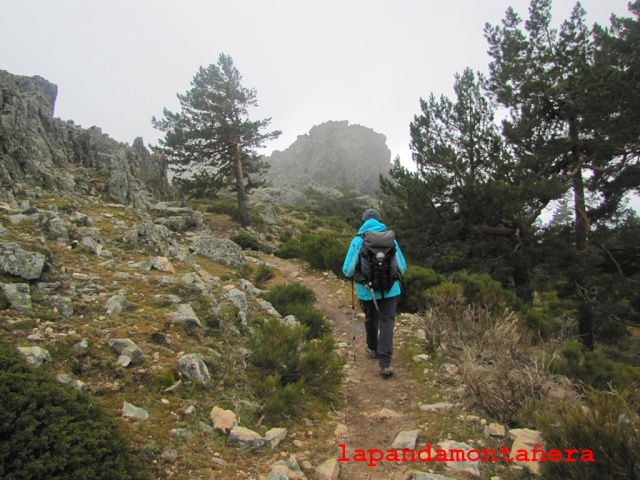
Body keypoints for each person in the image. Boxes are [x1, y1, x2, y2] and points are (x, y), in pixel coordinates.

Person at [342, 208, 407, 377]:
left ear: (363, 222)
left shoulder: (358, 240)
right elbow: (402, 267)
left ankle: (372, 347)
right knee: (387, 322)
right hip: (390, 290)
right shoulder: (390, 239)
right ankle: (385, 362)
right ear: (380, 221)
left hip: (367, 290)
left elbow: (347, 270)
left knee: (371, 318)